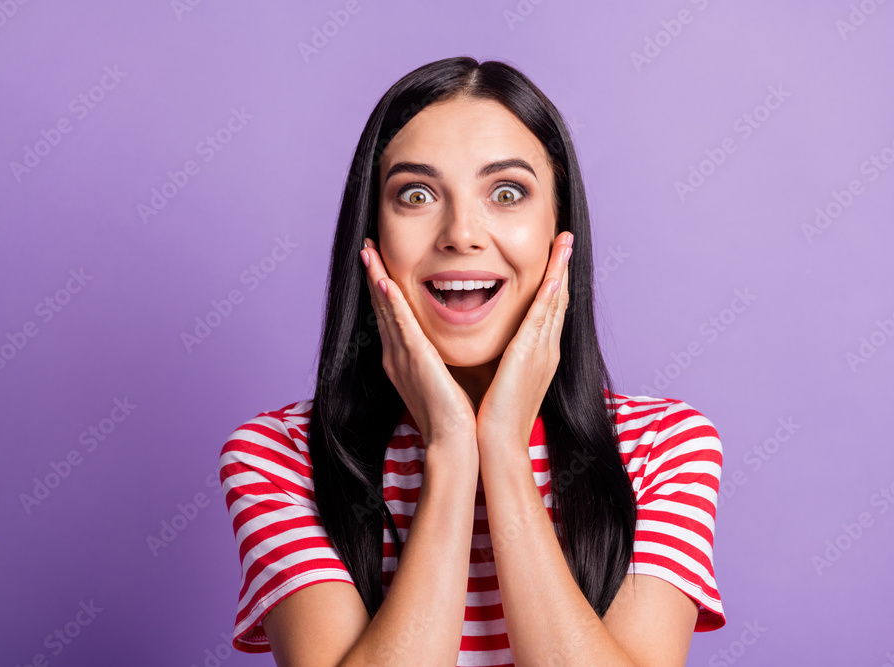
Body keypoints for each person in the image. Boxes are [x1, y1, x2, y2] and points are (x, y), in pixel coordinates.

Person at [219, 56, 725, 666]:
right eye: (416, 194)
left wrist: (504, 447)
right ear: (372, 234)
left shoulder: (661, 448)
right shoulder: (280, 457)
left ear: (558, 230)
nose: (462, 232)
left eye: (507, 193)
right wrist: (451, 451)